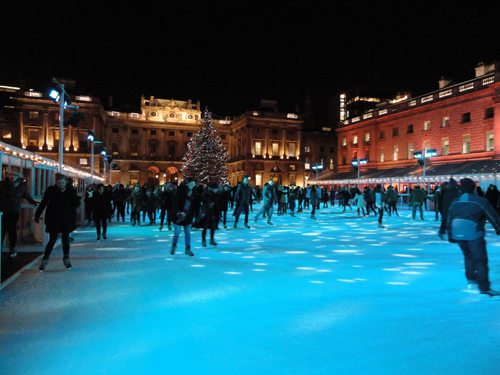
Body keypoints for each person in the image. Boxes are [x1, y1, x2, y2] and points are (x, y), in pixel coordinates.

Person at [447, 178, 500, 300]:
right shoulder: (479, 201)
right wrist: (498, 228)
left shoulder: (455, 201)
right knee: (480, 260)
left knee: (468, 256)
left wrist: (450, 233)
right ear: (473, 188)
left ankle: (471, 279)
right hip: (473, 233)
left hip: (458, 233)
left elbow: (449, 217)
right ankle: (484, 287)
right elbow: (492, 215)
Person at [35, 174, 81, 271]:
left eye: (63, 182)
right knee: (52, 239)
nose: (61, 184)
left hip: (66, 218)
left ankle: (66, 257)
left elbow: (77, 203)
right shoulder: (51, 190)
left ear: (66, 182)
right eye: (59, 182)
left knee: (65, 239)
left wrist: (72, 195)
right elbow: (44, 202)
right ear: (56, 182)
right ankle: (45, 258)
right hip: (54, 218)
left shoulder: (70, 191)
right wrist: (37, 214)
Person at [0, 170, 38, 257]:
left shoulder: (21, 186)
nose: (11, 176)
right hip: (3, 210)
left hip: (14, 210)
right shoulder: (3, 184)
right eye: (10, 175)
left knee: (11, 229)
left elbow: (26, 195)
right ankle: (1, 247)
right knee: (1, 229)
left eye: (13, 175)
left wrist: (33, 202)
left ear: (18, 176)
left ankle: (12, 247)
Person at [171, 177, 196, 257]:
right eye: (191, 184)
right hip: (179, 215)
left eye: (194, 184)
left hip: (188, 215)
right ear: (187, 183)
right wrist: (178, 212)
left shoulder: (193, 192)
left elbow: (194, 204)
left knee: (187, 232)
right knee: (177, 233)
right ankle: (174, 246)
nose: (192, 186)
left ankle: (187, 249)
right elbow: (176, 202)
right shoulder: (181, 191)